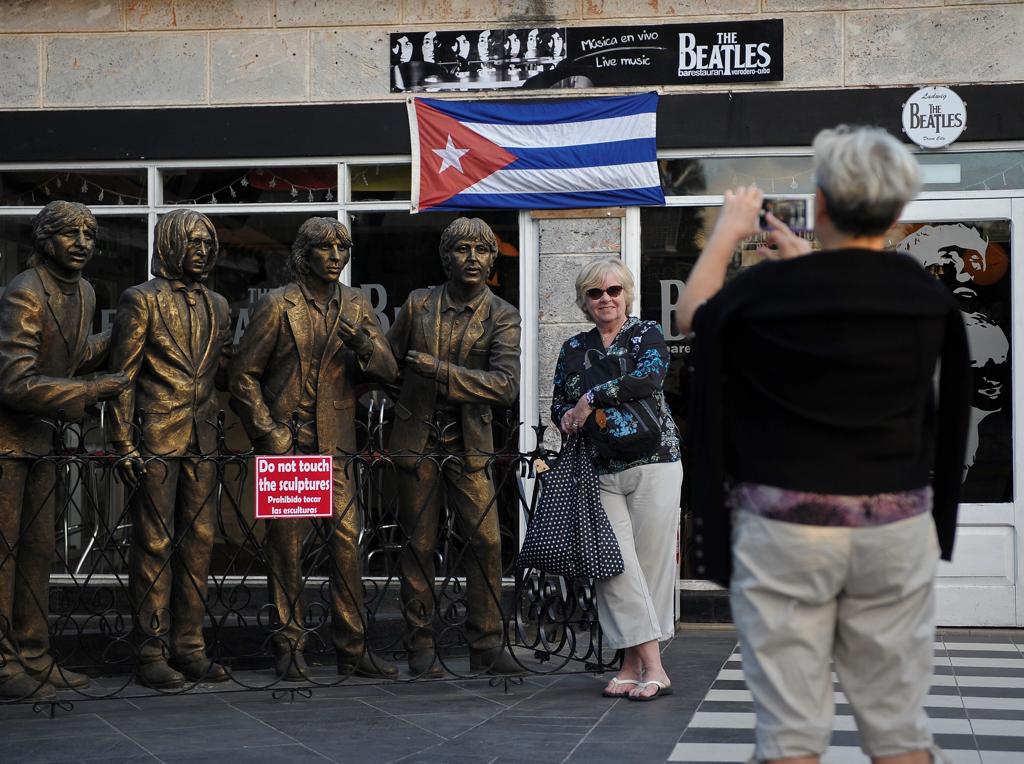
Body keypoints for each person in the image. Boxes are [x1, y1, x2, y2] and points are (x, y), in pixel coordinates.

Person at [677, 126, 971, 764]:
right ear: (897, 212)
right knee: (898, 730)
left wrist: (728, 230)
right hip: (896, 526)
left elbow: (692, 315)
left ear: (821, 203)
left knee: (790, 733)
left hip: (786, 529)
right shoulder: (923, 294)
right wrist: (807, 265)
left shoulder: (764, 293)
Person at [230, 217, 398, 681]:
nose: (335, 257)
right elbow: (242, 376)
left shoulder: (356, 305)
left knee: (346, 545)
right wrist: (268, 433)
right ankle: (288, 645)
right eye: (325, 248)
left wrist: (363, 340)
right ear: (304, 254)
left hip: (336, 445)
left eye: (341, 248)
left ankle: (353, 647)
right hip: (289, 447)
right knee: (286, 548)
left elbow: (388, 369)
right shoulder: (276, 305)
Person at [0, 201, 129, 700]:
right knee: (5, 556)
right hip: (10, 446)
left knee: (37, 553)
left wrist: (120, 336)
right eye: (69, 233)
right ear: (43, 240)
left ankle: (33, 652)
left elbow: (69, 358)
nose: (81, 243)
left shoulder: (86, 292)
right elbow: (14, 383)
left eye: (90, 235)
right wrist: (93, 391)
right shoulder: (23, 294)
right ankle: (4, 660)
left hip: (44, 444)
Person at [387, 217, 522, 677]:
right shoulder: (418, 304)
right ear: (446, 258)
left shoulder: (502, 314)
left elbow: (505, 387)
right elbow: (389, 367)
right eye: (462, 250)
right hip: (417, 439)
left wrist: (438, 371)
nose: (472, 259)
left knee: (485, 541)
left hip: (470, 445)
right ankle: (419, 644)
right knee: (420, 544)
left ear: (491, 260)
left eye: (481, 251)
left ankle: (485, 643)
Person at [109, 209, 233, 689]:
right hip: (156, 437)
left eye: (208, 244)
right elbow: (124, 377)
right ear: (171, 243)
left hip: (202, 439)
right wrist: (122, 442)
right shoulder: (140, 300)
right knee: (154, 545)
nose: (201, 252)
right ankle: (151, 651)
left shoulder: (220, 305)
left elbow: (219, 372)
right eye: (193, 242)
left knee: (200, 544)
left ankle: (190, 646)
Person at [550, 257, 682, 701]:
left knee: (652, 566)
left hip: (655, 462)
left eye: (614, 291)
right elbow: (557, 405)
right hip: (600, 470)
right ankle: (656, 667)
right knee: (615, 568)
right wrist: (568, 417)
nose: (605, 298)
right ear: (584, 301)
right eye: (595, 293)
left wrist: (591, 397)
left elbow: (649, 379)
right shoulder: (572, 348)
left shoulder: (646, 333)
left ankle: (631, 664)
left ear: (626, 294)